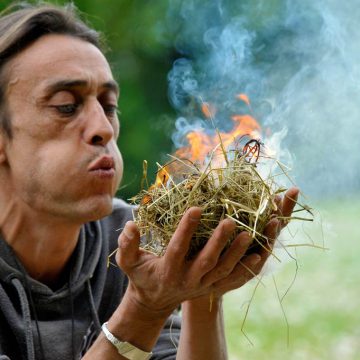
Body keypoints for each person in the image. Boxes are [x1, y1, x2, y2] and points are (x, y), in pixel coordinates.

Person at [0, 2, 299, 360]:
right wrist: (144, 308)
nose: (102, 128)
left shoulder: (131, 242)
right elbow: (145, 308)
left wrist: (201, 290)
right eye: (66, 105)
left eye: (109, 106)